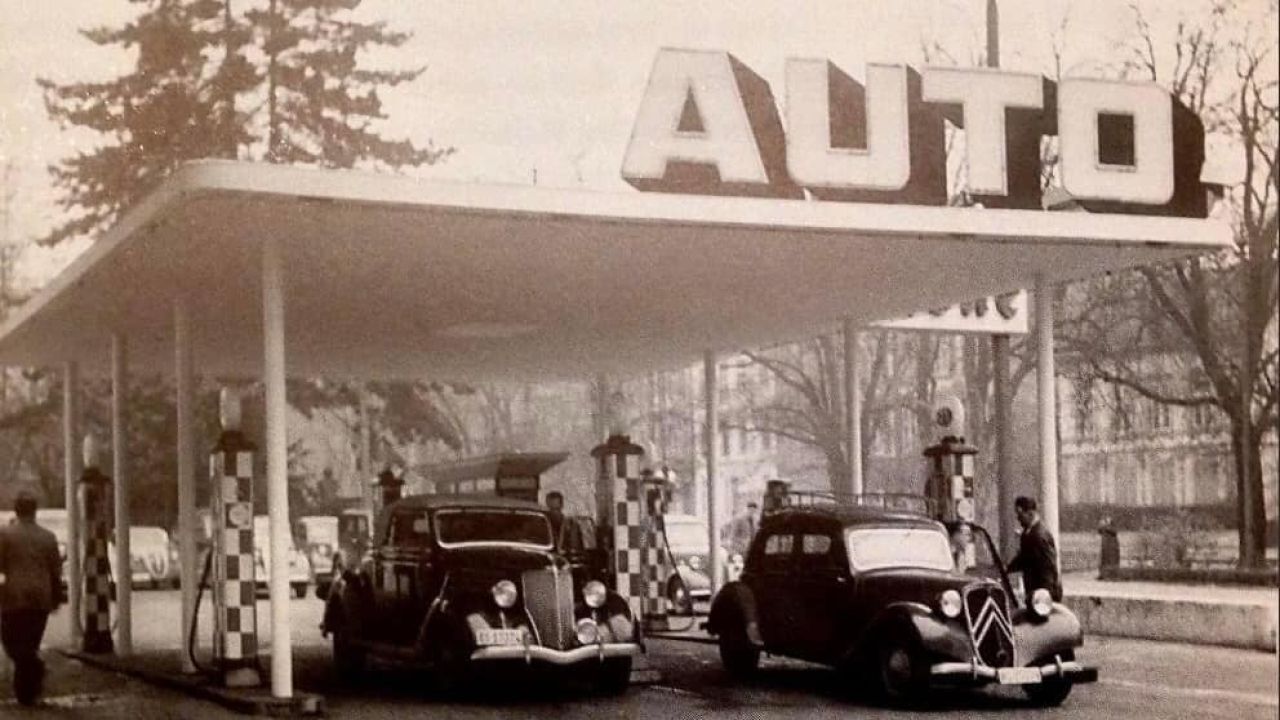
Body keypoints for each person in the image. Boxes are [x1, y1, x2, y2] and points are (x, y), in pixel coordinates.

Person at [0, 492, 63, 706]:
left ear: (16, 510)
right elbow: (56, 570)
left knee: (11, 642)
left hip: (13, 597)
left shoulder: (6, 535)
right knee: (30, 641)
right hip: (40, 598)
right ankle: (27, 692)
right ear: (34, 511)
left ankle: (32, 673)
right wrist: (56, 597)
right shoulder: (48, 536)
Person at [1007, 496, 1063, 604]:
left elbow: (1048, 569)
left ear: (1030, 513)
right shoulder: (1028, 533)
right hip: (1034, 593)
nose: (1018, 518)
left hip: (1042, 595)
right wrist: (1007, 569)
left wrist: (1046, 597)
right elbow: (1023, 558)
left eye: (1020, 513)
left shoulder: (1039, 536)